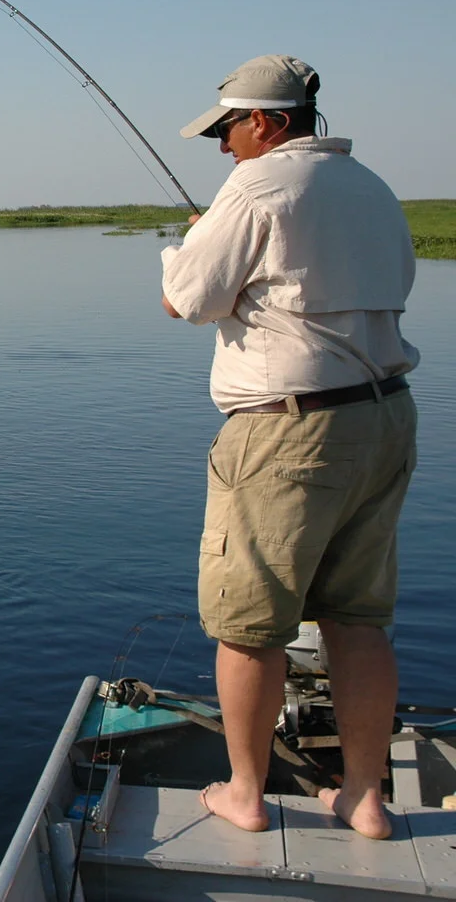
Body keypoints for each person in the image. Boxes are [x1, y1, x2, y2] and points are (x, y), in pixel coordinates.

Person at [160, 55, 419, 839]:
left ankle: (244, 793)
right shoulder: (372, 187)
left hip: (289, 430)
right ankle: (366, 798)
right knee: (356, 618)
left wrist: (190, 242)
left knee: (250, 624)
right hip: (384, 419)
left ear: (267, 122)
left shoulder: (259, 184)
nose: (222, 148)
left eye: (227, 128)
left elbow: (186, 301)